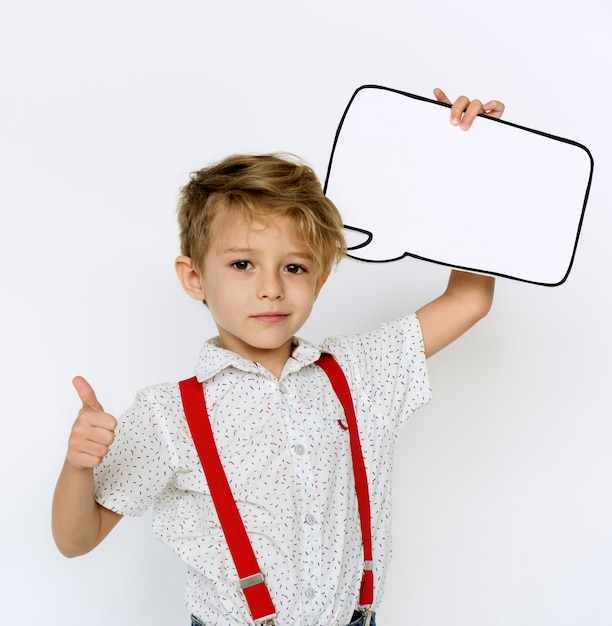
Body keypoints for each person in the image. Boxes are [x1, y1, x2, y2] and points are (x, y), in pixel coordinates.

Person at [52, 88, 505, 626]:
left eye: (293, 267)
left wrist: (480, 160)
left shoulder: (359, 373)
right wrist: (78, 466)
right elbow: (76, 540)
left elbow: (469, 299)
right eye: (243, 264)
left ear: (321, 276)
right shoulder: (167, 416)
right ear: (194, 277)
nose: (271, 288)